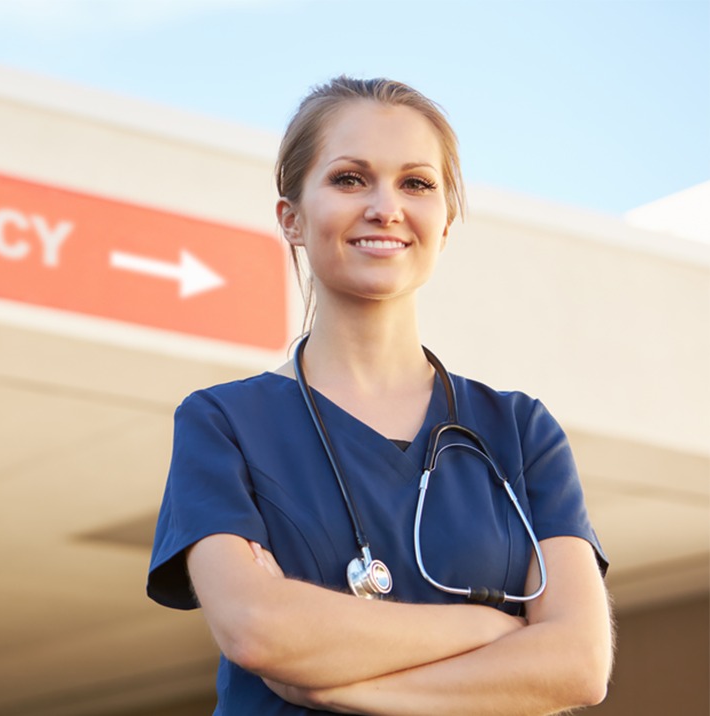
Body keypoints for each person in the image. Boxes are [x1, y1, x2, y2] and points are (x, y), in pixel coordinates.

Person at [146, 76, 613, 715]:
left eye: (416, 183)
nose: (385, 207)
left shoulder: (520, 432)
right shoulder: (224, 423)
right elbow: (256, 628)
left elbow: (579, 665)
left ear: (446, 222)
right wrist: (490, 629)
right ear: (292, 219)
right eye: (349, 179)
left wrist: (342, 683)